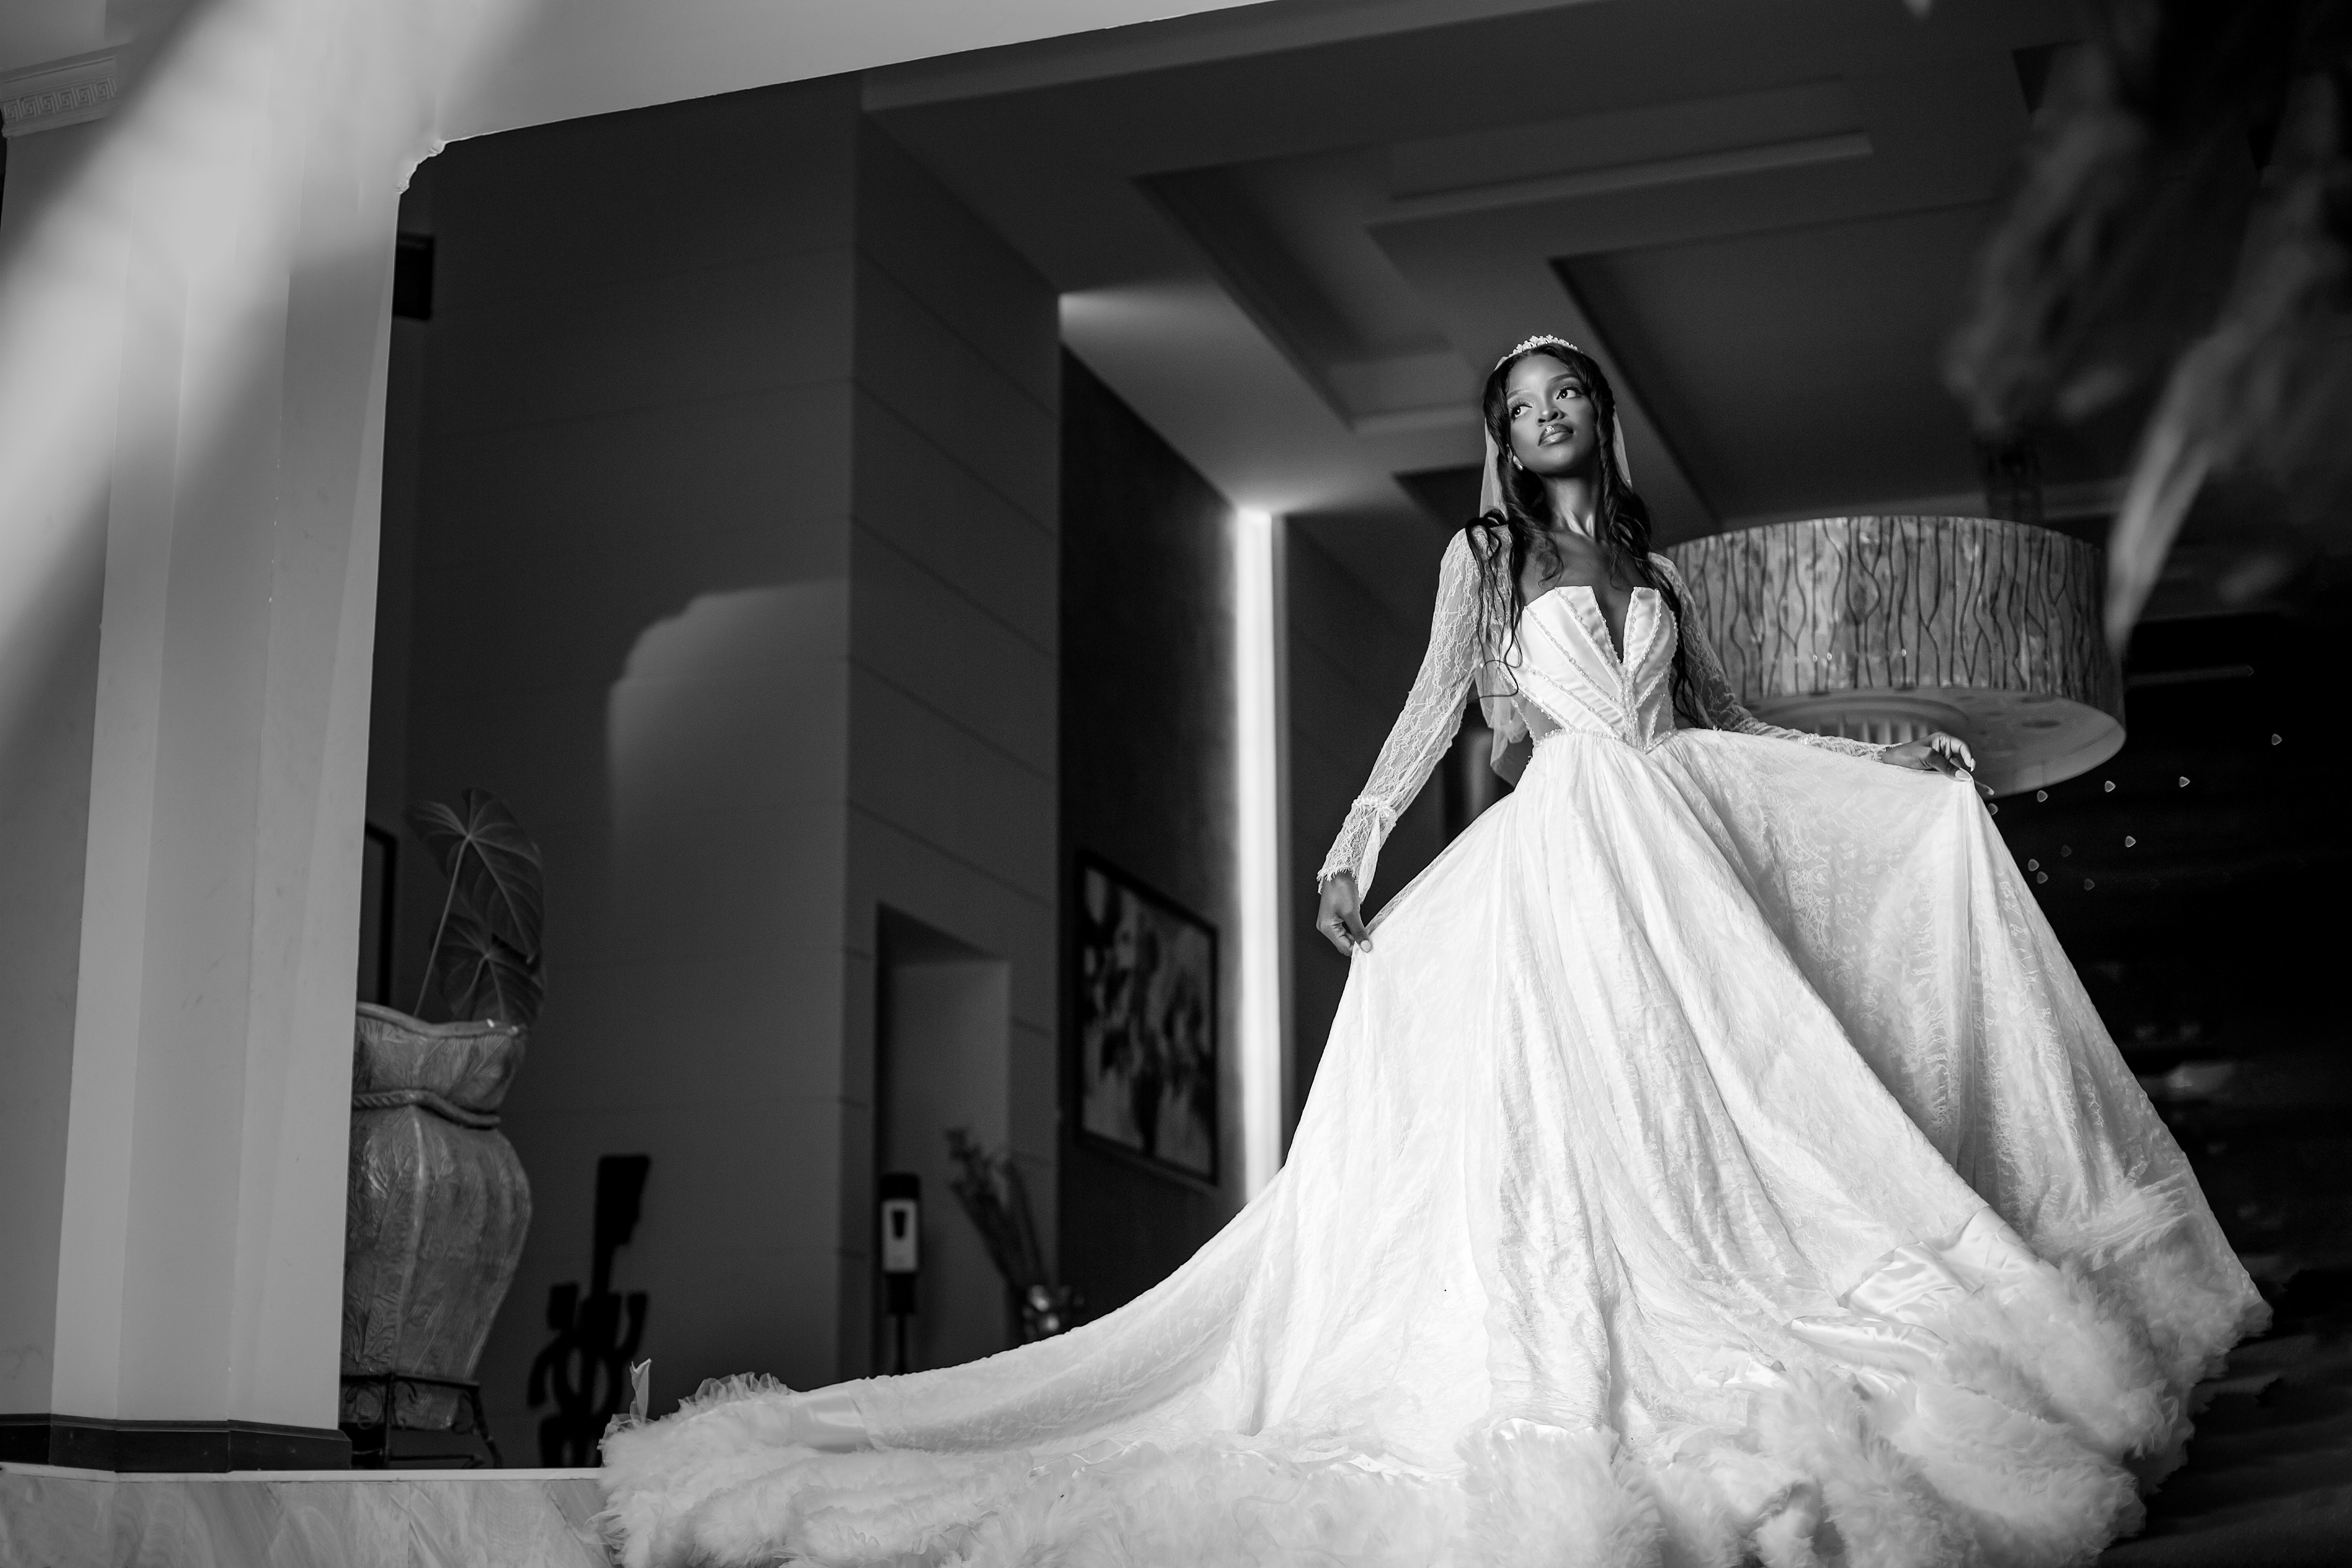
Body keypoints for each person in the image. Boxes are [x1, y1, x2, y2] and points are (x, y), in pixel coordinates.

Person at [599, 337, 2261, 1568]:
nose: (1548, 423)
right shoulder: (1483, 562)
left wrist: (1891, 766)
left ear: (1603, 422)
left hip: (1671, 848)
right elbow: (1423, 720)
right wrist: (1350, 847)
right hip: (1557, 865)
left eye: (1569, 401)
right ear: (1502, 442)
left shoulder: (1659, 570)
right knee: (1574, 1121)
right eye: (1523, 410)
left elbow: (1729, 721)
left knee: (1729, 1108)